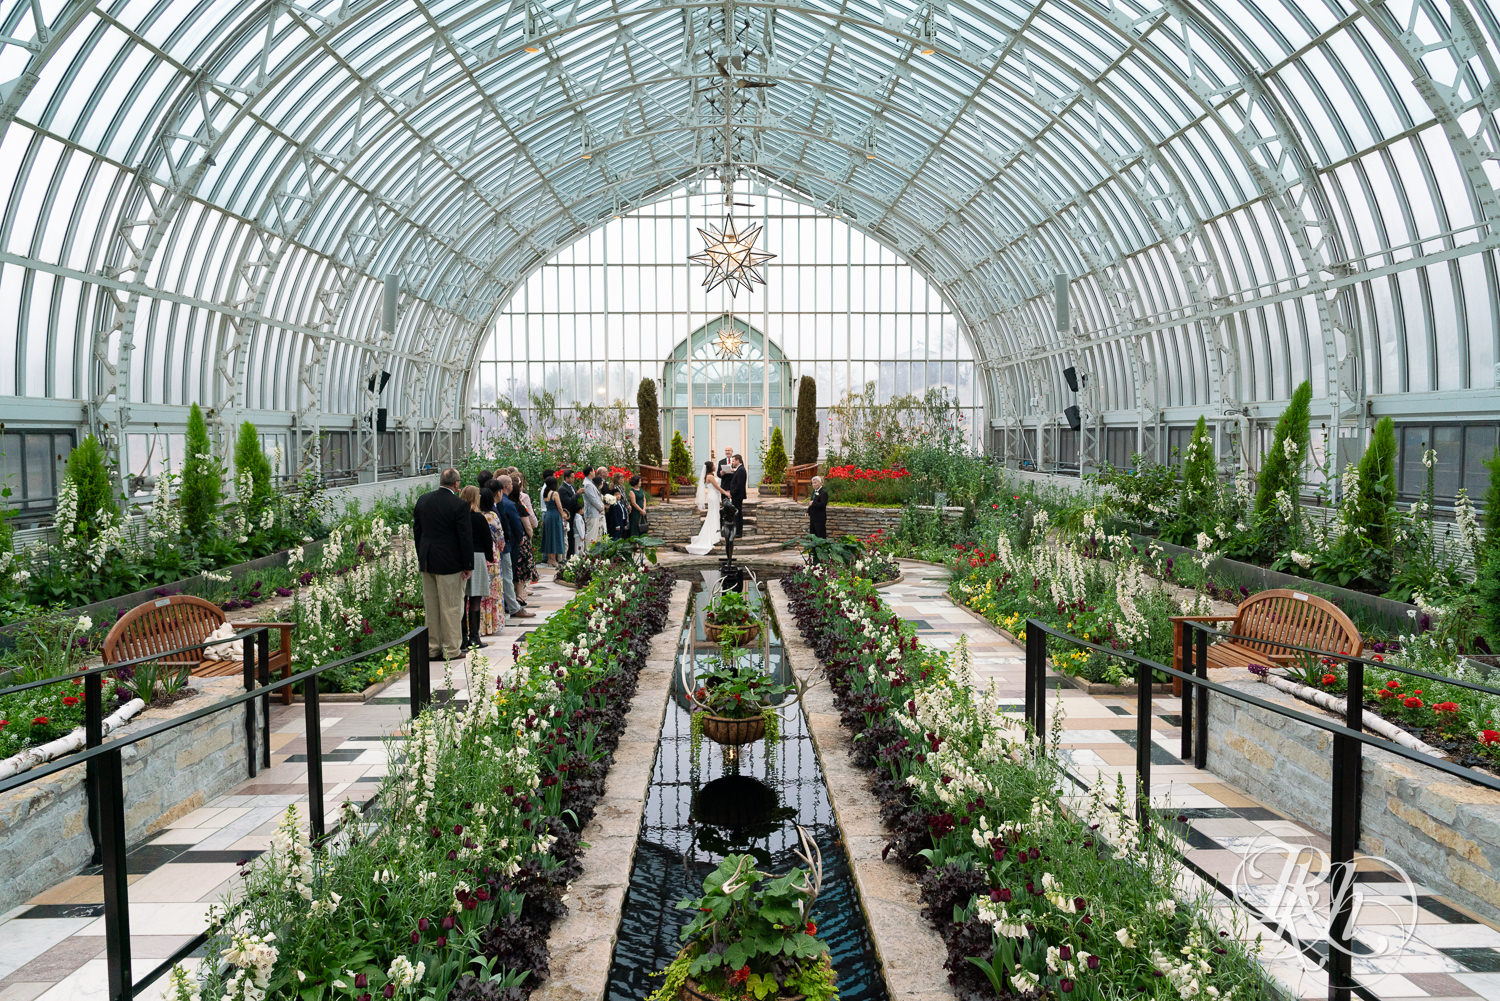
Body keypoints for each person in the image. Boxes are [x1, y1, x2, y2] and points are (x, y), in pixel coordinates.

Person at [413, 468, 472, 662]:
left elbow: (417, 531)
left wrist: (421, 556)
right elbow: (464, 537)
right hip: (450, 563)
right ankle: (451, 649)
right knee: (451, 607)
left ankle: (433, 648)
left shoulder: (423, 500)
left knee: (431, 607)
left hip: (428, 561)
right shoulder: (459, 505)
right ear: (456, 484)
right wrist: (468, 564)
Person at [495, 475, 533, 618]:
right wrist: (520, 539)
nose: (513, 486)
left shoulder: (499, 502)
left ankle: (508, 604)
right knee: (508, 574)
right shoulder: (509, 503)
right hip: (509, 544)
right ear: (506, 486)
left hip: (502, 544)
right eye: (511, 483)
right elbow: (516, 524)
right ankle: (513, 607)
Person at [459, 486, 492, 651]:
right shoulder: (479, 518)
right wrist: (490, 557)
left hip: (460, 557)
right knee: (475, 599)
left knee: (462, 598)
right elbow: (487, 540)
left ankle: (462, 637)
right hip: (477, 557)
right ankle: (474, 636)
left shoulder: (459, 516)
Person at [685, 459, 727, 556]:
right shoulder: (710, 477)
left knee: (715, 514)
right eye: (714, 465)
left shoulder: (711, 475)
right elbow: (717, 487)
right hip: (713, 496)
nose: (715, 466)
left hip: (714, 496)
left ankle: (716, 533)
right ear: (710, 467)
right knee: (713, 514)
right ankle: (713, 535)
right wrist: (726, 493)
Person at [509, 470, 538, 597]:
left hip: (511, 539)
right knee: (521, 568)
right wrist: (529, 535)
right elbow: (530, 523)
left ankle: (517, 593)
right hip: (521, 539)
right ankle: (520, 595)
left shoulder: (504, 503)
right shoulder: (521, 503)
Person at [480, 487, 504, 635]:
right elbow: (500, 538)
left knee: (480, 592)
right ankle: (492, 625)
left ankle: (480, 625)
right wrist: (500, 547)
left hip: (478, 554)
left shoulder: (476, 515)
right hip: (492, 554)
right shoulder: (491, 516)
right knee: (493, 590)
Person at [542, 475, 567, 564]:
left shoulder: (545, 494)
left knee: (549, 536)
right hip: (555, 516)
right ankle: (553, 559)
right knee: (555, 536)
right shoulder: (554, 493)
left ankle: (550, 558)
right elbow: (559, 507)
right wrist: (563, 515)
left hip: (548, 515)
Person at [581, 465, 605, 547]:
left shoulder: (590, 482)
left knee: (595, 535)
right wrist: (601, 507)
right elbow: (592, 499)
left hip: (595, 512)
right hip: (591, 513)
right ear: (590, 472)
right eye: (593, 471)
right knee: (591, 534)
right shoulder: (587, 484)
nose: (594, 473)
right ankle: (589, 552)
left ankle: (594, 552)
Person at [556, 470, 578, 557]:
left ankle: (573, 552)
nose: (573, 479)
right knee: (569, 534)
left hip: (574, 513)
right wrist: (577, 494)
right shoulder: (562, 489)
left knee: (573, 533)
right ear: (566, 478)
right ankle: (568, 554)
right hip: (568, 514)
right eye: (571, 477)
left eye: (574, 477)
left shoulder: (572, 486)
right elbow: (568, 502)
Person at [726, 454, 748, 536]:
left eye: (733, 461)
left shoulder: (741, 470)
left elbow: (739, 485)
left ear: (738, 461)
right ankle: (737, 531)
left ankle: (739, 532)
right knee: (737, 513)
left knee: (738, 514)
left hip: (737, 496)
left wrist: (731, 493)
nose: (732, 462)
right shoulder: (739, 469)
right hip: (736, 495)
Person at [807, 475, 828, 539]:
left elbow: (823, 504)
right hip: (813, 517)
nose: (813, 484)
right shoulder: (814, 492)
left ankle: (821, 546)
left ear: (820, 483)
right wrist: (808, 511)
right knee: (812, 534)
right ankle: (813, 546)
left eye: (815, 483)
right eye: (812, 483)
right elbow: (811, 503)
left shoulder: (824, 492)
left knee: (820, 535)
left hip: (820, 518)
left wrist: (813, 503)